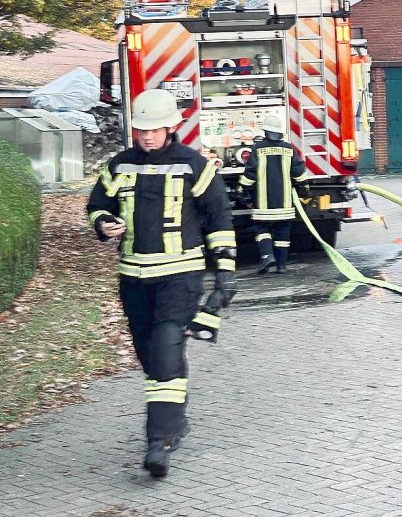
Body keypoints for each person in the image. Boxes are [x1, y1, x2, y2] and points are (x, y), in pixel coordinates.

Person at [86, 89, 237, 478]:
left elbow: (219, 220)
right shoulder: (120, 165)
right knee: (151, 359)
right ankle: (175, 419)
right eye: (141, 130)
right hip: (134, 278)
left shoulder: (196, 167)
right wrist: (103, 223)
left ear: (172, 127)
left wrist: (224, 275)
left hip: (180, 277)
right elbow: (97, 203)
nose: (147, 137)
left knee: (167, 348)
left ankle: (159, 442)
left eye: (154, 130)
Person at [238, 115, 307, 274]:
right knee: (283, 231)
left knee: (261, 229)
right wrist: (304, 189)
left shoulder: (257, 148)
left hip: (263, 204)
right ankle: (281, 266)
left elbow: (250, 175)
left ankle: (267, 256)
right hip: (284, 204)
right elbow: (298, 172)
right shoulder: (288, 148)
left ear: (266, 131)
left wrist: (242, 191)